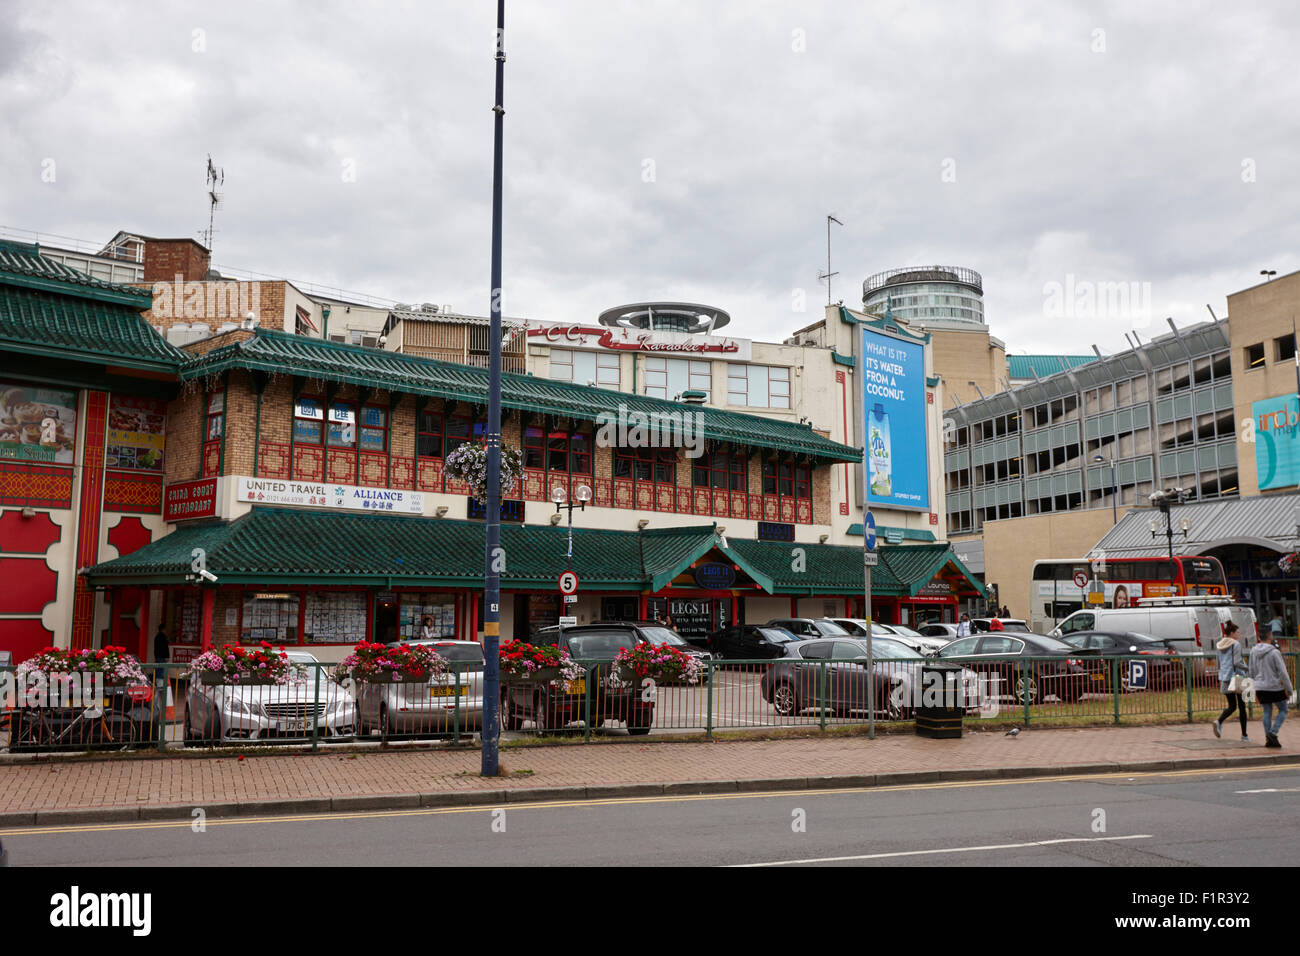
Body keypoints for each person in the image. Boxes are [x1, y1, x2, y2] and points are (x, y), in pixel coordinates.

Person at [1250, 629, 1296, 749]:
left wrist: (1253, 690)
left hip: (1260, 686)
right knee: (1283, 709)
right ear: (1270, 636)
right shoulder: (1274, 652)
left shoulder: (1253, 652)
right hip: (1274, 686)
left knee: (1267, 711)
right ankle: (1273, 732)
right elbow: (1283, 672)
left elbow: (1251, 672)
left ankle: (1269, 739)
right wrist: (1289, 689)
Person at [1213, 622, 1249, 742]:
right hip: (1237, 676)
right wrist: (1248, 668)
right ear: (1232, 633)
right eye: (1238, 632)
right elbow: (1237, 662)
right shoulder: (1236, 644)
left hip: (1224, 677)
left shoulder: (1219, 644)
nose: (1239, 634)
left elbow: (1218, 663)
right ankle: (1244, 735)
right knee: (1242, 707)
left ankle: (1219, 721)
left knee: (1232, 706)